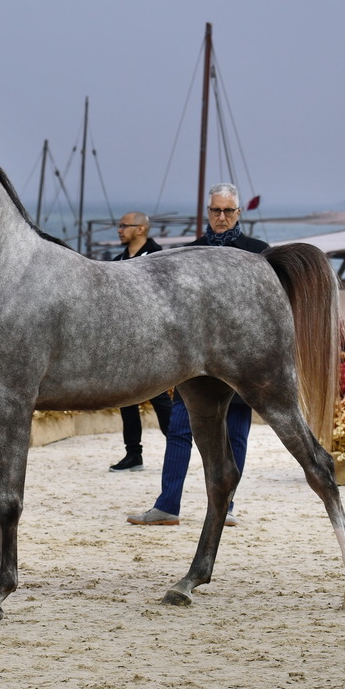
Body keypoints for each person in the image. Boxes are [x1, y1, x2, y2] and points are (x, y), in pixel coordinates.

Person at [127, 182, 269, 527]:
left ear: (238, 213)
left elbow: (268, 311)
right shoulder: (191, 252)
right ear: (208, 212)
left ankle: (226, 506)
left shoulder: (258, 253)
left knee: (235, 435)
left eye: (228, 211)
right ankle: (167, 506)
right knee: (179, 431)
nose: (221, 217)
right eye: (216, 210)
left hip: (239, 360)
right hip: (192, 362)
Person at [109, 211, 174, 471]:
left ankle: (178, 445)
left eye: (124, 225)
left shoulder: (159, 258)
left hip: (153, 341)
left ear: (140, 229)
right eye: (119, 225)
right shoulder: (118, 261)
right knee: (127, 399)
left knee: (159, 396)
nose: (119, 230)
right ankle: (133, 454)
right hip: (124, 341)